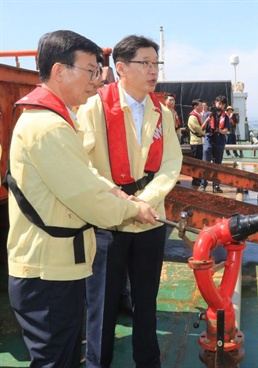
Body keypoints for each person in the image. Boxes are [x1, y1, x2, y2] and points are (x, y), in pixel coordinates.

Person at [5, 30, 158, 368]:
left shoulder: (54, 119)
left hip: (58, 265)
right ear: (60, 71)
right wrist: (133, 207)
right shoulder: (49, 127)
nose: (97, 80)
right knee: (56, 360)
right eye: (90, 70)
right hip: (47, 272)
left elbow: (84, 178)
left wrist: (115, 192)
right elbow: (89, 200)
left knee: (64, 355)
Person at [77, 34, 182, 368]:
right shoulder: (95, 106)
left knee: (146, 303)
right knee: (102, 307)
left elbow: (171, 164)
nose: (153, 71)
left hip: (150, 221)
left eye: (156, 64)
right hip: (108, 222)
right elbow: (84, 164)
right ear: (120, 68)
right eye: (145, 63)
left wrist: (146, 200)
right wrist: (122, 200)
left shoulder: (161, 112)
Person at [200, 96, 230, 192]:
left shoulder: (225, 117)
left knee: (218, 164)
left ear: (224, 105)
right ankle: (203, 184)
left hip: (219, 140)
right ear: (215, 103)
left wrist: (220, 131)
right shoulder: (208, 114)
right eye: (218, 103)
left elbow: (226, 131)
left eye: (222, 104)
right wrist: (207, 120)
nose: (220, 105)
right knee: (206, 161)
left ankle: (216, 185)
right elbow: (202, 128)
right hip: (209, 139)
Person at [188, 99, 206, 186]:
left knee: (199, 161)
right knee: (196, 161)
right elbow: (198, 129)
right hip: (195, 142)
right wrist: (206, 134)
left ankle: (198, 178)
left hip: (199, 142)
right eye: (200, 105)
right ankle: (195, 179)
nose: (202, 107)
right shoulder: (192, 117)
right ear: (195, 106)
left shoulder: (198, 115)